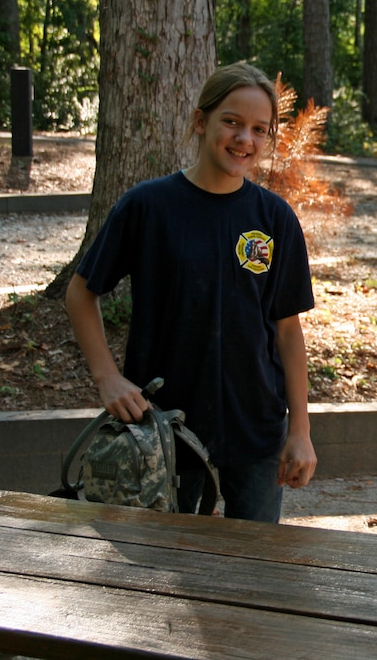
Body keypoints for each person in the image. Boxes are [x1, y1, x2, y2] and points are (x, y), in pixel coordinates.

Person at [65, 62, 317, 523]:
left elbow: (287, 330)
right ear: (201, 122)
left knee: (253, 571)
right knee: (165, 572)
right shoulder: (148, 207)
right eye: (232, 122)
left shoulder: (275, 218)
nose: (245, 139)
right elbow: (81, 292)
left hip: (256, 432)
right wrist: (107, 377)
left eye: (260, 129)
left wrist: (299, 429)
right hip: (163, 431)